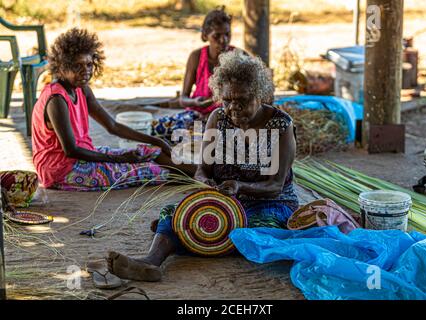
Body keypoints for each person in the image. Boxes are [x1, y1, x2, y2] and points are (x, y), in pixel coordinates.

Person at [107, 51, 299, 282]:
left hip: (271, 203)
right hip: (225, 200)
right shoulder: (218, 119)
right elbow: (202, 170)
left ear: (260, 95)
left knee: (254, 229)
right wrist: (205, 182)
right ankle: (151, 262)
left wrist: (240, 186)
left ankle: (185, 238)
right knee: (172, 212)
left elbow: (275, 186)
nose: (233, 109)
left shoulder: (280, 125)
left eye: (243, 101)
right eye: (227, 100)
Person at [31, 28, 196, 191]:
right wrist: (118, 159)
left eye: (89, 64)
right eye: (77, 66)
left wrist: (155, 140)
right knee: (154, 170)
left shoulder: (81, 89)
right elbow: (71, 150)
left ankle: (202, 174)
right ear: (61, 67)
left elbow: (113, 126)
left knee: (153, 152)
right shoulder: (56, 99)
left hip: (85, 155)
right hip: (61, 170)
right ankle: (198, 179)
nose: (86, 71)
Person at [150, 6, 238, 141]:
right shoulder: (196, 57)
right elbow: (183, 99)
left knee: (217, 136)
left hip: (226, 116)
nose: (223, 40)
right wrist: (195, 102)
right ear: (205, 36)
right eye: (217, 36)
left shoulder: (239, 57)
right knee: (157, 128)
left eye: (227, 34)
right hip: (197, 114)